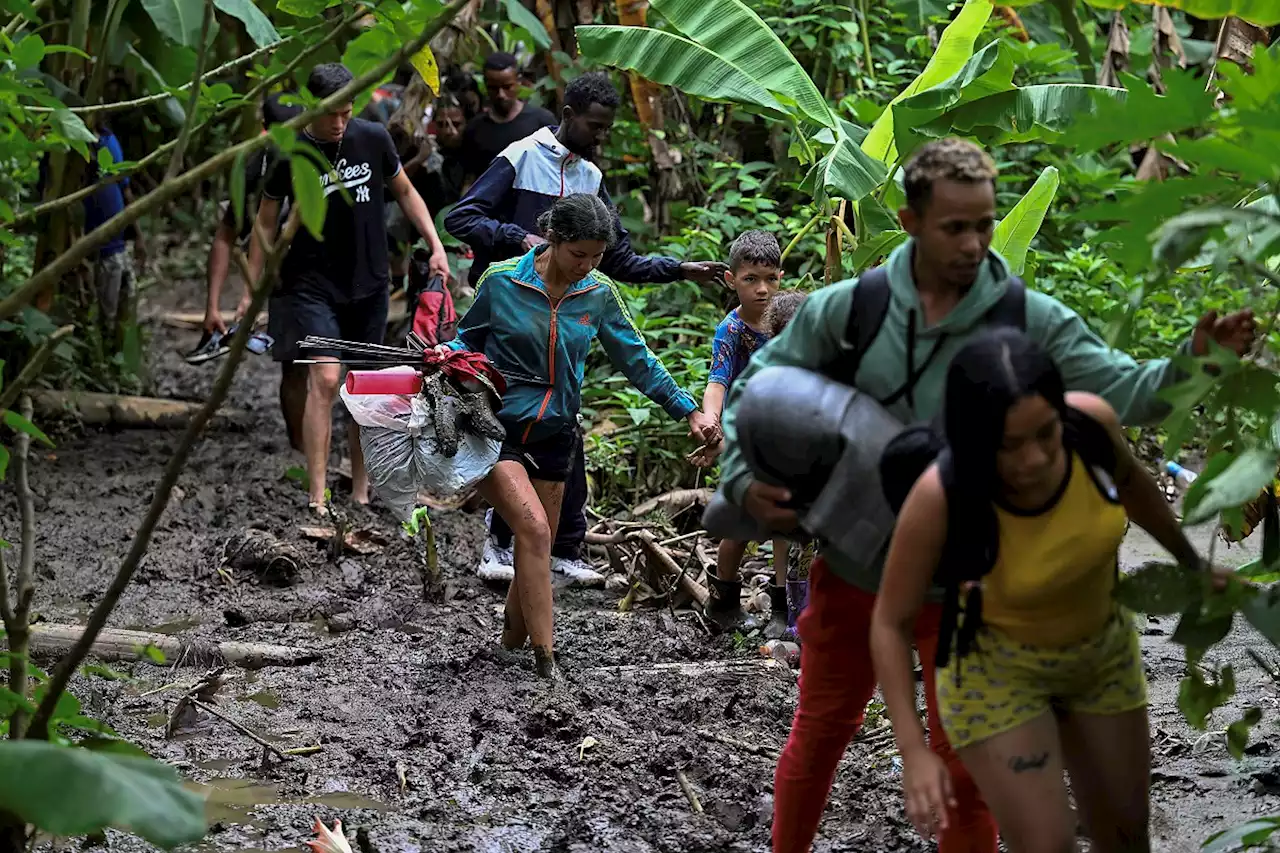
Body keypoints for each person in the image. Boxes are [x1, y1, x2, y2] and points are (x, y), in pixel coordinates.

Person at [713, 138, 1256, 853]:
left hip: (969, 581)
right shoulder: (853, 309)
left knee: (969, 764)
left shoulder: (1024, 316)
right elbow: (757, 391)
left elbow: (1125, 388)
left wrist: (1193, 365)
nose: (973, 244)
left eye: (985, 224)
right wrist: (744, 483)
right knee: (818, 738)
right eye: (953, 227)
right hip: (851, 565)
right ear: (909, 220)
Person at [870, 328, 1223, 853]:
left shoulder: (1090, 427)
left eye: (1045, 435)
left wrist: (1194, 565)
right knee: (1047, 845)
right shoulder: (942, 495)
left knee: (1126, 837)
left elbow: (1136, 489)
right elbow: (889, 623)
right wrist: (914, 750)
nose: (1033, 459)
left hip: (1101, 656)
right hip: (998, 674)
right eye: (1008, 446)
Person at [446, 71, 725, 586]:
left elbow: (615, 264)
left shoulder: (591, 188)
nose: (601, 137)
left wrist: (678, 268)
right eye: (594, 126)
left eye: (607, 128)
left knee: (561, 435)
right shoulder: (522, 156)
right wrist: (521, 243)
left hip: (565, 322)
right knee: (508, 435)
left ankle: (555, 557)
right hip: (514, 300)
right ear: (569, 114)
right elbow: (461, 219)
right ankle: (499, 543)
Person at [444, 193, 718, 679]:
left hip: (556, 433)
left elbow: (637, 359)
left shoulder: (598, 293)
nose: (587, 266)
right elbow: (469, 337)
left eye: (597, 256)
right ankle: (547, 661)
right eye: (579, 255)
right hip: (496, 426)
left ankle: (508, 648)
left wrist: (689, 410)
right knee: (532, 531)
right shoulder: (502, 281)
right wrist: (443, 356)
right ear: (552, 239)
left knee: (538, 546)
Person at [248, 63, 451, 514]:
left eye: (347, 112)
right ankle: (317, 497)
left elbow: (405, 192)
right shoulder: (290, 150)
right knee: (324, 376)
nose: (340, 124)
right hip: (311, 283)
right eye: (330, 115)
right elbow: (264, 219)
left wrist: (435, 245)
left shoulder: (372, 138)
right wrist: (252, 290)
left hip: (369, 282)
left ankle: (361, 489)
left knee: (363, 389)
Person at [687, 231, 788, 633]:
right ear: (731, 280)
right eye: (750, 279)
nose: (762, 289)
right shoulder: (732, 330)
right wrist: (711, 420)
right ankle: (723, 601)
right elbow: (718, 381)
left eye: (770, 278)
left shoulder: (788, 319)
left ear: (781, 277)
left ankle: (783, 608)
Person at [190, 93, 302, 370]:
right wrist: (214, 308)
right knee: (295, 365)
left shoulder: (323, 152)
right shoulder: (255, 168)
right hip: (275, 262)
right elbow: (226, 236)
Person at [83, 122, 144, 353]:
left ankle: (120, 357)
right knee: (104, 315)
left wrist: (138, 236)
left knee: (127, 302)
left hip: (119, 246)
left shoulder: (108, 139)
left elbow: (125, 189)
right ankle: (104, 359)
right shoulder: (71, 147)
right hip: (97, 250)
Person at [460, 52, 556, 181]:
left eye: (507, 87)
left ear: (518, 81)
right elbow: (470, 178)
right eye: (493, 88)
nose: (501, 95)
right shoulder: (475, 128)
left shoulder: (542, 122)